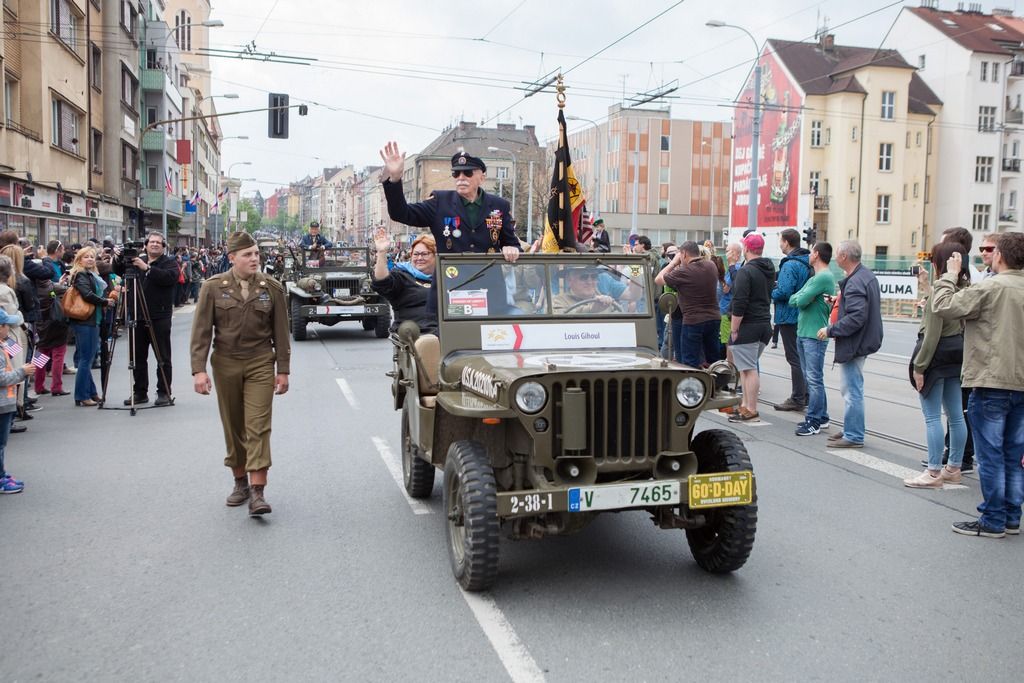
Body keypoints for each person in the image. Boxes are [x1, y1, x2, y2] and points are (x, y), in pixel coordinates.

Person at [190, 231, 291, 516]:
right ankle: (240, 483)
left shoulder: (271, 287)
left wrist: (282, 370)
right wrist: (199, 370)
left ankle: (258, 492)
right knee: (233, 425)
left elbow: (282, 333)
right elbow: (201, 332)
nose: (254, 259)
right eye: (248, 255)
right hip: (226, 363)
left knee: (257, 425)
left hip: (260, 361)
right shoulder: (213, 287)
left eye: (257, 254)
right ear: (232, 258)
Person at [932, 232, 1024, 538]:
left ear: (1000, 256)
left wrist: (950, 275)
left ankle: (993, 520)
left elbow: (943, 305)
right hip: (1021, 385)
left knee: (991, 455)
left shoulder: (990, 287)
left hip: (991, 380)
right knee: (1014, 454)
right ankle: (1012, 517)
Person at [379, 144, 522, 325]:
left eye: (468, 173)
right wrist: (395, 179)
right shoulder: (440, 202)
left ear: (482, 177)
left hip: (489, 292)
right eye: (456, 174)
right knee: (451, 348)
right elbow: (401, 213)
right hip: (451, 289)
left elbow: (510, 242)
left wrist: (511, 248)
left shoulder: (498, 205)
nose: (461, 178)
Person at [903, 242, 971, 489]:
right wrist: (926, 287)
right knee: (955, 416)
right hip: (956, 356)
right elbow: (945, 306)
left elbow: (931, 334)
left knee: (932, 417)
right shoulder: (964, 287)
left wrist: (919, 368)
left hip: (935, 357)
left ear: (938, 263)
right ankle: (953, 468)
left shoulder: (942, 291)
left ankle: (932, 473)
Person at [817, 240, 883, 448]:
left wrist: (830, 330)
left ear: (844, 257)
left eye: (838, 254)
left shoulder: (855, 281)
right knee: (852, 388)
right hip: (863, 340)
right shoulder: (865, 275)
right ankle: (850, 428)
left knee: (851, 389)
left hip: (855, 342)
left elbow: (856, 317)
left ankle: (853, 435)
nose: (836, 258)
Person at [113, 233, 179, 407]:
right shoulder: (137, 259)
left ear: (164, 246)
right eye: (152, 242)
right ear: (146, 245)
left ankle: (164, 392)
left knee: (162, 357)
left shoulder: (169, 262)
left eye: (158, 242)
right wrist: (118, 258)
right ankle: (140, 392)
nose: (155, 245)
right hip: (138, 315)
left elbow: (169, 278)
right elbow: (118, 271)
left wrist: (147, 268)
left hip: (159, 316)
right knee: (138, 357)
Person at [787, 241, 836, 436]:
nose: (808, 254)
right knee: (812, 377)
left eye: (811, 251)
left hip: (814, 334)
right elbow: (795, 298)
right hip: (805, 332)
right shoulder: (815, 278)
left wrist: (801, 299)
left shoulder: (823, 278)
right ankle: (822, 416)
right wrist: (801, 299)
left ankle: (814, 420)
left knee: (814, 379)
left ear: (816, 254)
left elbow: (800, 299)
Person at [727, 233, 776, 422]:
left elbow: (740, 302)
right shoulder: (768, 269)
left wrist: (734, 328)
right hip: (764, 323)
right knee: (746, 368)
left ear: (746, 249)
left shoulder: (746, 272)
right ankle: (745, 406)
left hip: (748, 324)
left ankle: (751, 408)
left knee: (748, 369)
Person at [656, 241, 721, 368]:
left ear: (684, 254)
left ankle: (693, 386)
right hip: (714, 319)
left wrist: (674, 263)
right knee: (713, 361)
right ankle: (716, 384)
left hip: (693, 321)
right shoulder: (711, 265)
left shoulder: (684, 272)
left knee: (689, 362)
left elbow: (658, 279)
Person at [69, 247, 117, 407]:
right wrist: (105, 301)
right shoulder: (81, 274)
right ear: (79, 260)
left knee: (86, 358)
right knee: (85, 359)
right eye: (86, 257)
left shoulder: (91, 274)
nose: (90, 259)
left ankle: (91, 392)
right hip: (85, 321)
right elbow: (87, 294)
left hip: (92, 320)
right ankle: (82, 395)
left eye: (92, 256)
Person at [771, 229, 812, 412]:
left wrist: (771, 292)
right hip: (802, 314)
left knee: (794, 358)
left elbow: (784, 292)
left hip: (788, 315)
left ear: (787, 242)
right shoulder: (806, 261)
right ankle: (807, 394)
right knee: (802, 358)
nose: (780, 244)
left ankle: (797, 397)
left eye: (781, 240)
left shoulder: (789, 264)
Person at [371, 229, 436, 333]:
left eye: (424, 254)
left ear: (435, 256)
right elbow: (382, 283)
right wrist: (382, 252)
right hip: (418, 334)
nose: (419, 258)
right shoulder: (402, 275)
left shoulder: (445, 276)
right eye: (415, 254)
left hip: (449, 331)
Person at [0, 309, 36, 493]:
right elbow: (2, 378)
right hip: (2, 401)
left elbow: (17, 353)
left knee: (2, 443)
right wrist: (22, 371)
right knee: (0, 443)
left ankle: (2, 473)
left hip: (7, 401)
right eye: (6, 325)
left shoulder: (4, 344)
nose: (9, 328)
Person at [32, 263, 69, 397]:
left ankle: (38, 385)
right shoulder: (52, 287)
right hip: (56, 324)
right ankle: (56, 386)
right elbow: (65, 289)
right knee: (58, 355)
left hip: (40, 325)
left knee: (41, 356)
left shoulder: (32, 288)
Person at [552, 266, 618, 314]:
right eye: (584, 277)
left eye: (594, 277)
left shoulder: (605, 302)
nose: (589, 282)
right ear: (569, 280)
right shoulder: (558, 301)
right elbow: (559, 318)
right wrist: (590, 309)